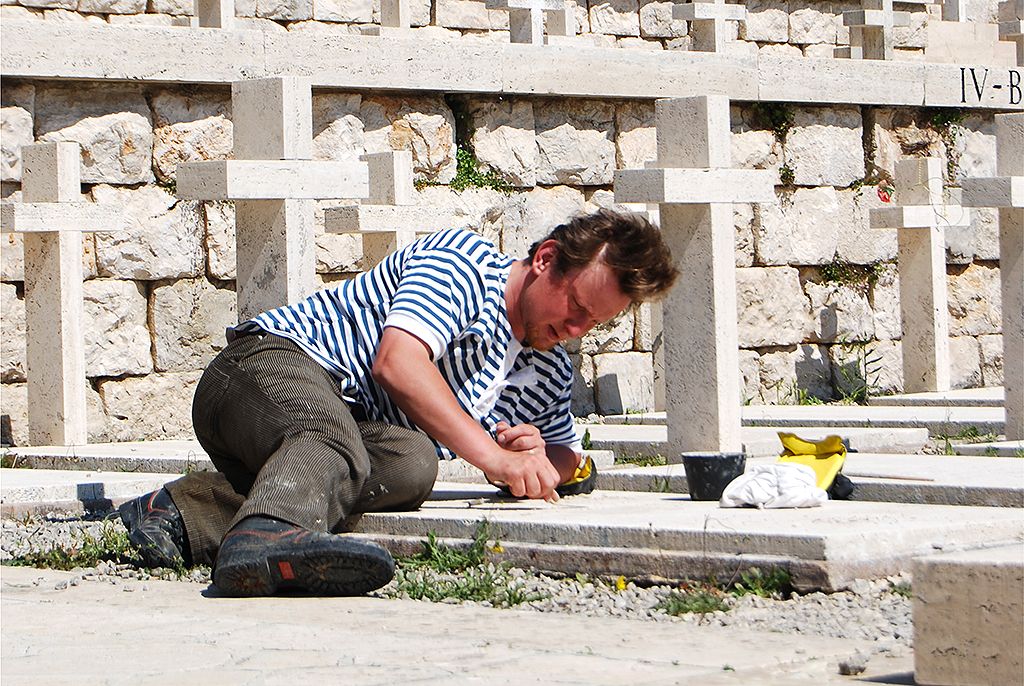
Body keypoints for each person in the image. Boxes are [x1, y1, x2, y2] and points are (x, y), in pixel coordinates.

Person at [119, 208, 678, 597]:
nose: (575, 329)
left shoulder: (549, 363)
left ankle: (183, 513)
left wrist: (534, 461)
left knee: (414, 464)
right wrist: (492, 456)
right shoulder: (464, 263)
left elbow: (566, 454)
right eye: (575, 306)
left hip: (339, 436)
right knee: (330, 436)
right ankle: (265, 538)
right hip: (264, 370)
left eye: (592, 322)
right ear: (546, 259)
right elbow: (399, 364)